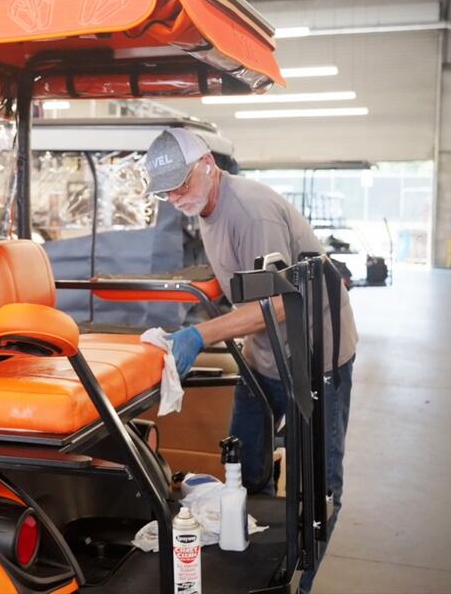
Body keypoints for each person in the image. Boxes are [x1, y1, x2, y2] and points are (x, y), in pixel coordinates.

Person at [143, 128, 358, 592]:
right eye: (165, 192)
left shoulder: (250, 211)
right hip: (266, 352)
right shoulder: (205, 206)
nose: (175, 198)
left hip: (315, 355)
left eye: (180, 185)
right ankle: (251, 561)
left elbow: (277, 303)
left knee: (318, 487)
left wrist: (200, 334)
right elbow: (243, 280)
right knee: (243, 463)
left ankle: (300, 582)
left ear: (207, 165)